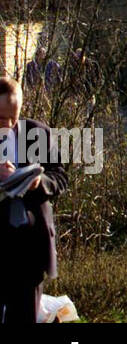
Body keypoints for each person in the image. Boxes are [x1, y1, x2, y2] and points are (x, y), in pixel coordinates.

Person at [0, 77, 68, 323]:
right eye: (0, 117)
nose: (7, 123)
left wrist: (39, 183)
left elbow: (59, 176)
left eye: (13, 116)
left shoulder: (35, 133)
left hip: (29, 247)